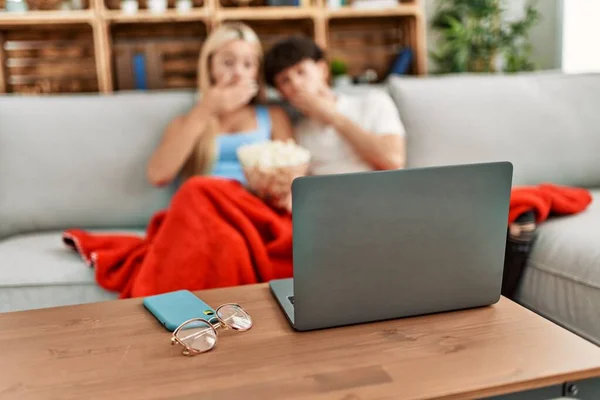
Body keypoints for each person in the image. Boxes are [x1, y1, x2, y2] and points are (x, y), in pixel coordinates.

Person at [147, 22, 294, 187]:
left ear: (256, 73)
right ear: (210, 67)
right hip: (203, 203)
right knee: (192, 189)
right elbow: (158, 176)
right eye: (228, 62)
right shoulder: (186, 122)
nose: (238, 72)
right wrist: (206, 110)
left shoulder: (273, 117)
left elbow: (291, 181)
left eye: (248, 64)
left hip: (250, 205)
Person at [263, 35, 406, 176]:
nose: (296, 84)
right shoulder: (297, 134)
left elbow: (392, 160)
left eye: (301, 72)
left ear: (322, 69)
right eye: (285, 81)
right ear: (280, 93)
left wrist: (332, 116)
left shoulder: (374, 102)